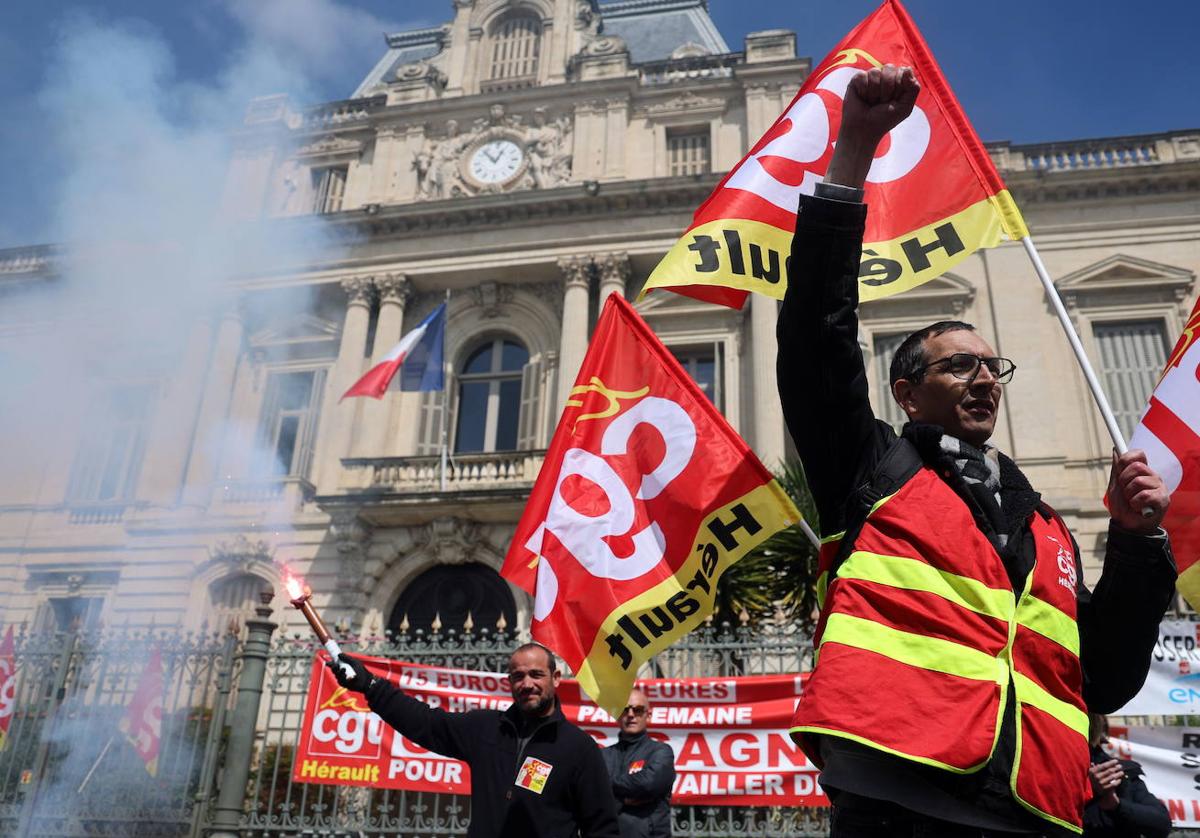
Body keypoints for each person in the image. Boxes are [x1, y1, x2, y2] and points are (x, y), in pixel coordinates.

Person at [778, 63, 1178, 837]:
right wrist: (853, 151)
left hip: (1035, 805)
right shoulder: (874, 468)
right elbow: (813, 339)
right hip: (899, 786)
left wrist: (1137, 544)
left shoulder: (1046, 528)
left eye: (995, 367)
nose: (986, 380)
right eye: (960, 364)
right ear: (905, 392)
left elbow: (1107, 677)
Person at [329, 642, 620, 838]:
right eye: (518, 676)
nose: (527, 684)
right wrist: (370, 685)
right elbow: (426, 722)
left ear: (555, 678)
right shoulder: (485, 728)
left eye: (536, 674)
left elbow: (602, 828)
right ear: (509, 682)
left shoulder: (579, 747)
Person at [601, 687, 675, 838]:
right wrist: (626, 798)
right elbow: (594, 792)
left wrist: (610, 788)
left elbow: (648, 784)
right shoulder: (603, 755)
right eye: (625, 709)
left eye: (638, 710)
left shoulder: (661, 751)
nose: (630, 715)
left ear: (648, 716)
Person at [1084, 714, 1171, 837]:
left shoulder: (1120, 771)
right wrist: (1086, 791)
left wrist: (1116, 805)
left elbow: (1162, 824)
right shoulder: (1055, 768)